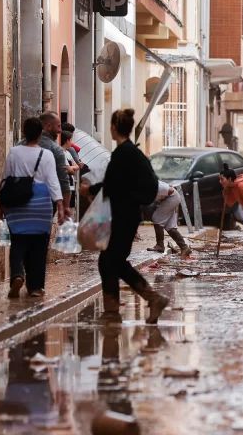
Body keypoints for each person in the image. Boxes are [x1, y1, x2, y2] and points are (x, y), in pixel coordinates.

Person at [80, 109, 168, 324]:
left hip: (123, 216)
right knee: (108, 260)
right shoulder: (129, 152)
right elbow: (118, 184)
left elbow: (113, 186)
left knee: (114, 261)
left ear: (113, 128)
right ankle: (112, 311)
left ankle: (152, 298)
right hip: (124, 215)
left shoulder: (123, 154)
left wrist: (89, 191)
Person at [0, 117, 65, 298]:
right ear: (40, 134)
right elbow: (53, 182)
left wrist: (1, 205)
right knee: (38, 246)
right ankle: (35, 287)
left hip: (17, 203)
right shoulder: (47, 154)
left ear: (24, 132)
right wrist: (60, 205)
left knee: (18, 242)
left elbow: (6, 179)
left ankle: (17, 274)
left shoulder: (14, 153)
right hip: (41, 205)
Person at [33, 112, 71, 219]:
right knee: (42, 234)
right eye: (58, 126)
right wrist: (65, 206)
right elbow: (63, 179)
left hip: (20, 201)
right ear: (48, 126)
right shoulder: (55, 149)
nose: (60, 130)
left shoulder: (17, 147)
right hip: (45, 202)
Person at [146, 181, 192, 257]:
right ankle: (184, 248)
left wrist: (164, 202)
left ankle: (160, 245)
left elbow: (170, 190)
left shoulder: (155, 186)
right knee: (170, 227)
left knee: (156, 218)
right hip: (171, 198)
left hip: (172, 198)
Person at [60, 131, 79, 210]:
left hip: (71, 183)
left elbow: (76, 166)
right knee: (66, 207)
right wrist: (72, 168)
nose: (72, 142)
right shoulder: (61, 153)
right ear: (67, 140)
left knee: (71, 207)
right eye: (71, 140)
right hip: (65, 184)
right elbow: (70, 170)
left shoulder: (68, 153)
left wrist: (72, 168)